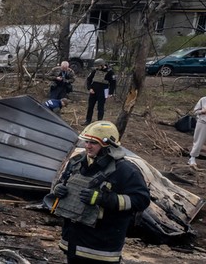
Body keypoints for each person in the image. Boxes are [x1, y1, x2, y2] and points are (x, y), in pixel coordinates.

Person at [47, 121, 150, 263]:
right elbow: (62, 182)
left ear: (108, 145)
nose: (87, 146)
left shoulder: (125, 170)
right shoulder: (76, 162)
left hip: (102, 249)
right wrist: (58, 190)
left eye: (93, 143)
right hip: (72, 243)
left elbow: (141, 199)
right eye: (86, 141)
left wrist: (104, 199)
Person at [84, 59, 116, 125]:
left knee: (100, 107)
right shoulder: (95, 71)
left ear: (102, 65)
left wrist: (110, 93)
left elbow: (113, 83)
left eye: (98, 66)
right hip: (93, 90)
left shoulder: (110, 72)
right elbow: (89, 79)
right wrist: (89, 88)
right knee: (90, 106)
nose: (97, 67)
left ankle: (99, 122)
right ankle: (88, 120)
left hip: (103, 91)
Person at [189, 95, 206, 166]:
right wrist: (202, 111)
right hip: (203, 122)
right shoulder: (203, 99)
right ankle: (192, 158)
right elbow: (195, 111)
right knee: (198, 141)